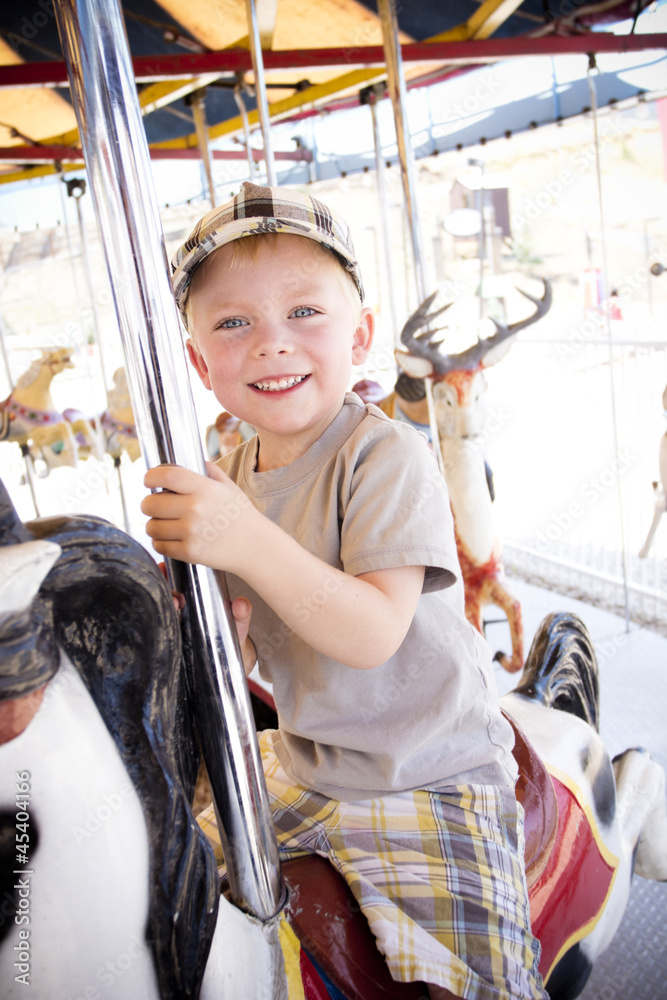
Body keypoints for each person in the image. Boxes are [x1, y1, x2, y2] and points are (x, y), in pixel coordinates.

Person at [141, 182, 547, 1000]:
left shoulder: (384, 456)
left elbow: (369, 634)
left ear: (359, 335)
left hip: (425, 770)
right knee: (155, 875)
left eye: (304, 313)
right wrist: (206, 618)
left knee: (479, 989)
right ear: (197, 362)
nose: (269, 345)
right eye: (232, 323)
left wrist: (239, 537)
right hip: (306, 759)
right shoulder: (229, 480)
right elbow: (241, 646)